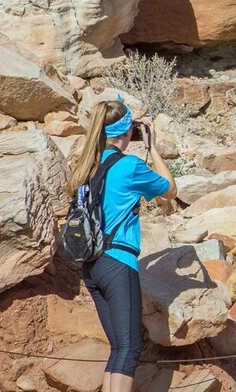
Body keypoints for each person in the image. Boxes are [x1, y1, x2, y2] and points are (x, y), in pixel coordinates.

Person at [66, 100, 177, 392]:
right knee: (129, 351)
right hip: (118, 262)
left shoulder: (87, 166)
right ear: (128, 131)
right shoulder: (129, 166)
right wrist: (152, 148)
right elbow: (170, 191)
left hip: (91, 266)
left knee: (117, 348)